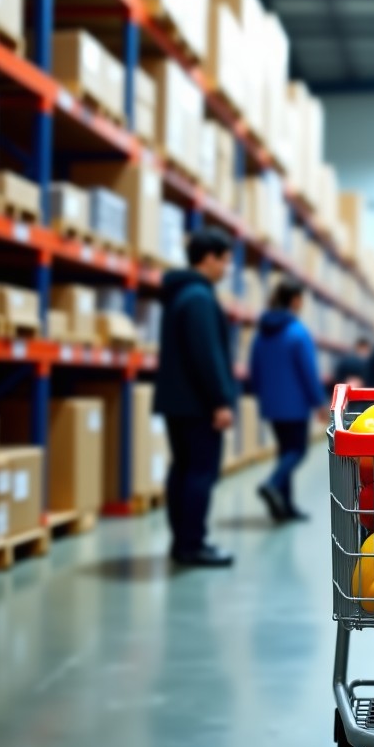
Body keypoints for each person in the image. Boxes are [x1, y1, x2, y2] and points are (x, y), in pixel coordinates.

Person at [154, 228, 239, 568]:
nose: (225, 270)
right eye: (224, 262)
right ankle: (193, 544)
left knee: (183, 469)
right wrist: (220, 400)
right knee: (201, 473)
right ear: (208, 258)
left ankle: (182, 542)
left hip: (179, 402)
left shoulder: (180, 293)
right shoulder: (200, 298)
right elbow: (207, 355)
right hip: (199, 404)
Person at [250, 279, 327, 523]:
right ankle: (272, 484)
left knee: (285, 451)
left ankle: (284, 507)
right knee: (297, 451)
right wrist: (319, 403)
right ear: (295, 300)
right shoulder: (297, 332)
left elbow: (254, 369)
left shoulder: (262, 334)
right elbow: (308, 372)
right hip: (294, 405)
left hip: (272, 404)